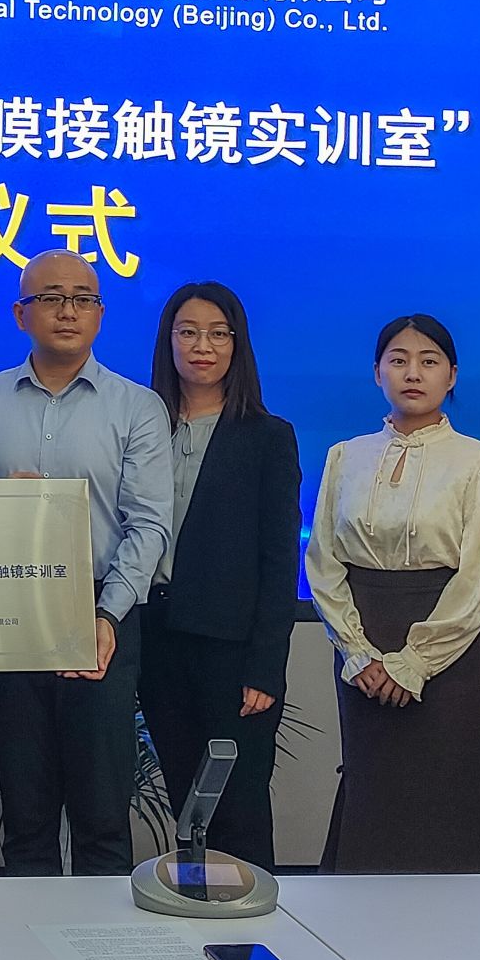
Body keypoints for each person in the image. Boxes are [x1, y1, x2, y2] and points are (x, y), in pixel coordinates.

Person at [0, 250, 170, 960]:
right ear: (20, 313)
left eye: (83, 298)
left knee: (101, 817)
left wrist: (106, 616)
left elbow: (149, 522)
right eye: (51, 297)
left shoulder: (136, 407)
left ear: (100, 313)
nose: (68, 310)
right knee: (27, 813)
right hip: (8, 612)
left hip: (101, 614)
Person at [306, 313, 480, 876]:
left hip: (448, 650)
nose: (413, 374)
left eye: (428, 361)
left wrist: (415, 662)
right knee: (372, 786)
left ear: (452, 375)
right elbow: (323, 561)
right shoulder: (345, 457)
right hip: (362, 647)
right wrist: (359, 653)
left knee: (443, 787)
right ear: (377, 373)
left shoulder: (479, 463)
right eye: (398, 361)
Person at [140, 282, 301, 874]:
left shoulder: (266, 436)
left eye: (217, 333)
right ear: (168, 341)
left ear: (238, 344)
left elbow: (279, 561)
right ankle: (193, 907)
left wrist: (266, 665)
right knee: (186, 800)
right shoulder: (141, 427)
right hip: (155, 639)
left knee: (238, 804)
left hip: (232, 653)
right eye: (188, 332)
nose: (202, 346)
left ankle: (253, 917)